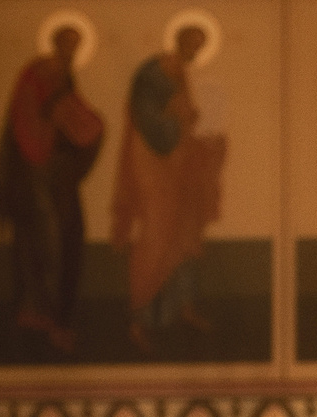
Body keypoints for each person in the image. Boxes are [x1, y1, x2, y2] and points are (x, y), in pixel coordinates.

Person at [113, 23, 226, 353]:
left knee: (186, 234)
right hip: (155, 170)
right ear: (179, 40)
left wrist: (206, 141)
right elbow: (150, 122)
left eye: (201, 45)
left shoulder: (180, 74)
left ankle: (184, 308)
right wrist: (178, 118)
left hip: (179, 169)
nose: (196, 50)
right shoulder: (158, 70)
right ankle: (138, 320)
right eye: (193, 42)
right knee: (156, 239)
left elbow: (184, 122)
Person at [0, 24, 103, 355]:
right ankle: (40, 317)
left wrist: (90, 127)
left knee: (69, 237)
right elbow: (30, 120)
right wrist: (79, 127)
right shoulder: (41, 72)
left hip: (56, 175)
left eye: (76, 45)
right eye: (67, 43)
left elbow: (75, 120)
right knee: (45, 242)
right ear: (55, 44)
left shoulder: (65, 77)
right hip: (33, 172)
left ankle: (57, 320)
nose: (71, 50)